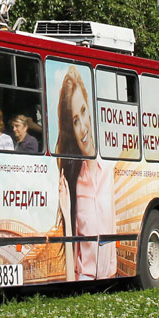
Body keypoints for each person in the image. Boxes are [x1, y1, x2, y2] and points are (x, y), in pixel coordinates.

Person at [54, 65, 114, 280]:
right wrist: (67, 214)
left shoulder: (109, 171)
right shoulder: (72, 183)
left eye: (83, 112)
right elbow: (70, 278)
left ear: (90, 107)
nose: (83, 129)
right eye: (75, 121)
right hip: (84, 281)